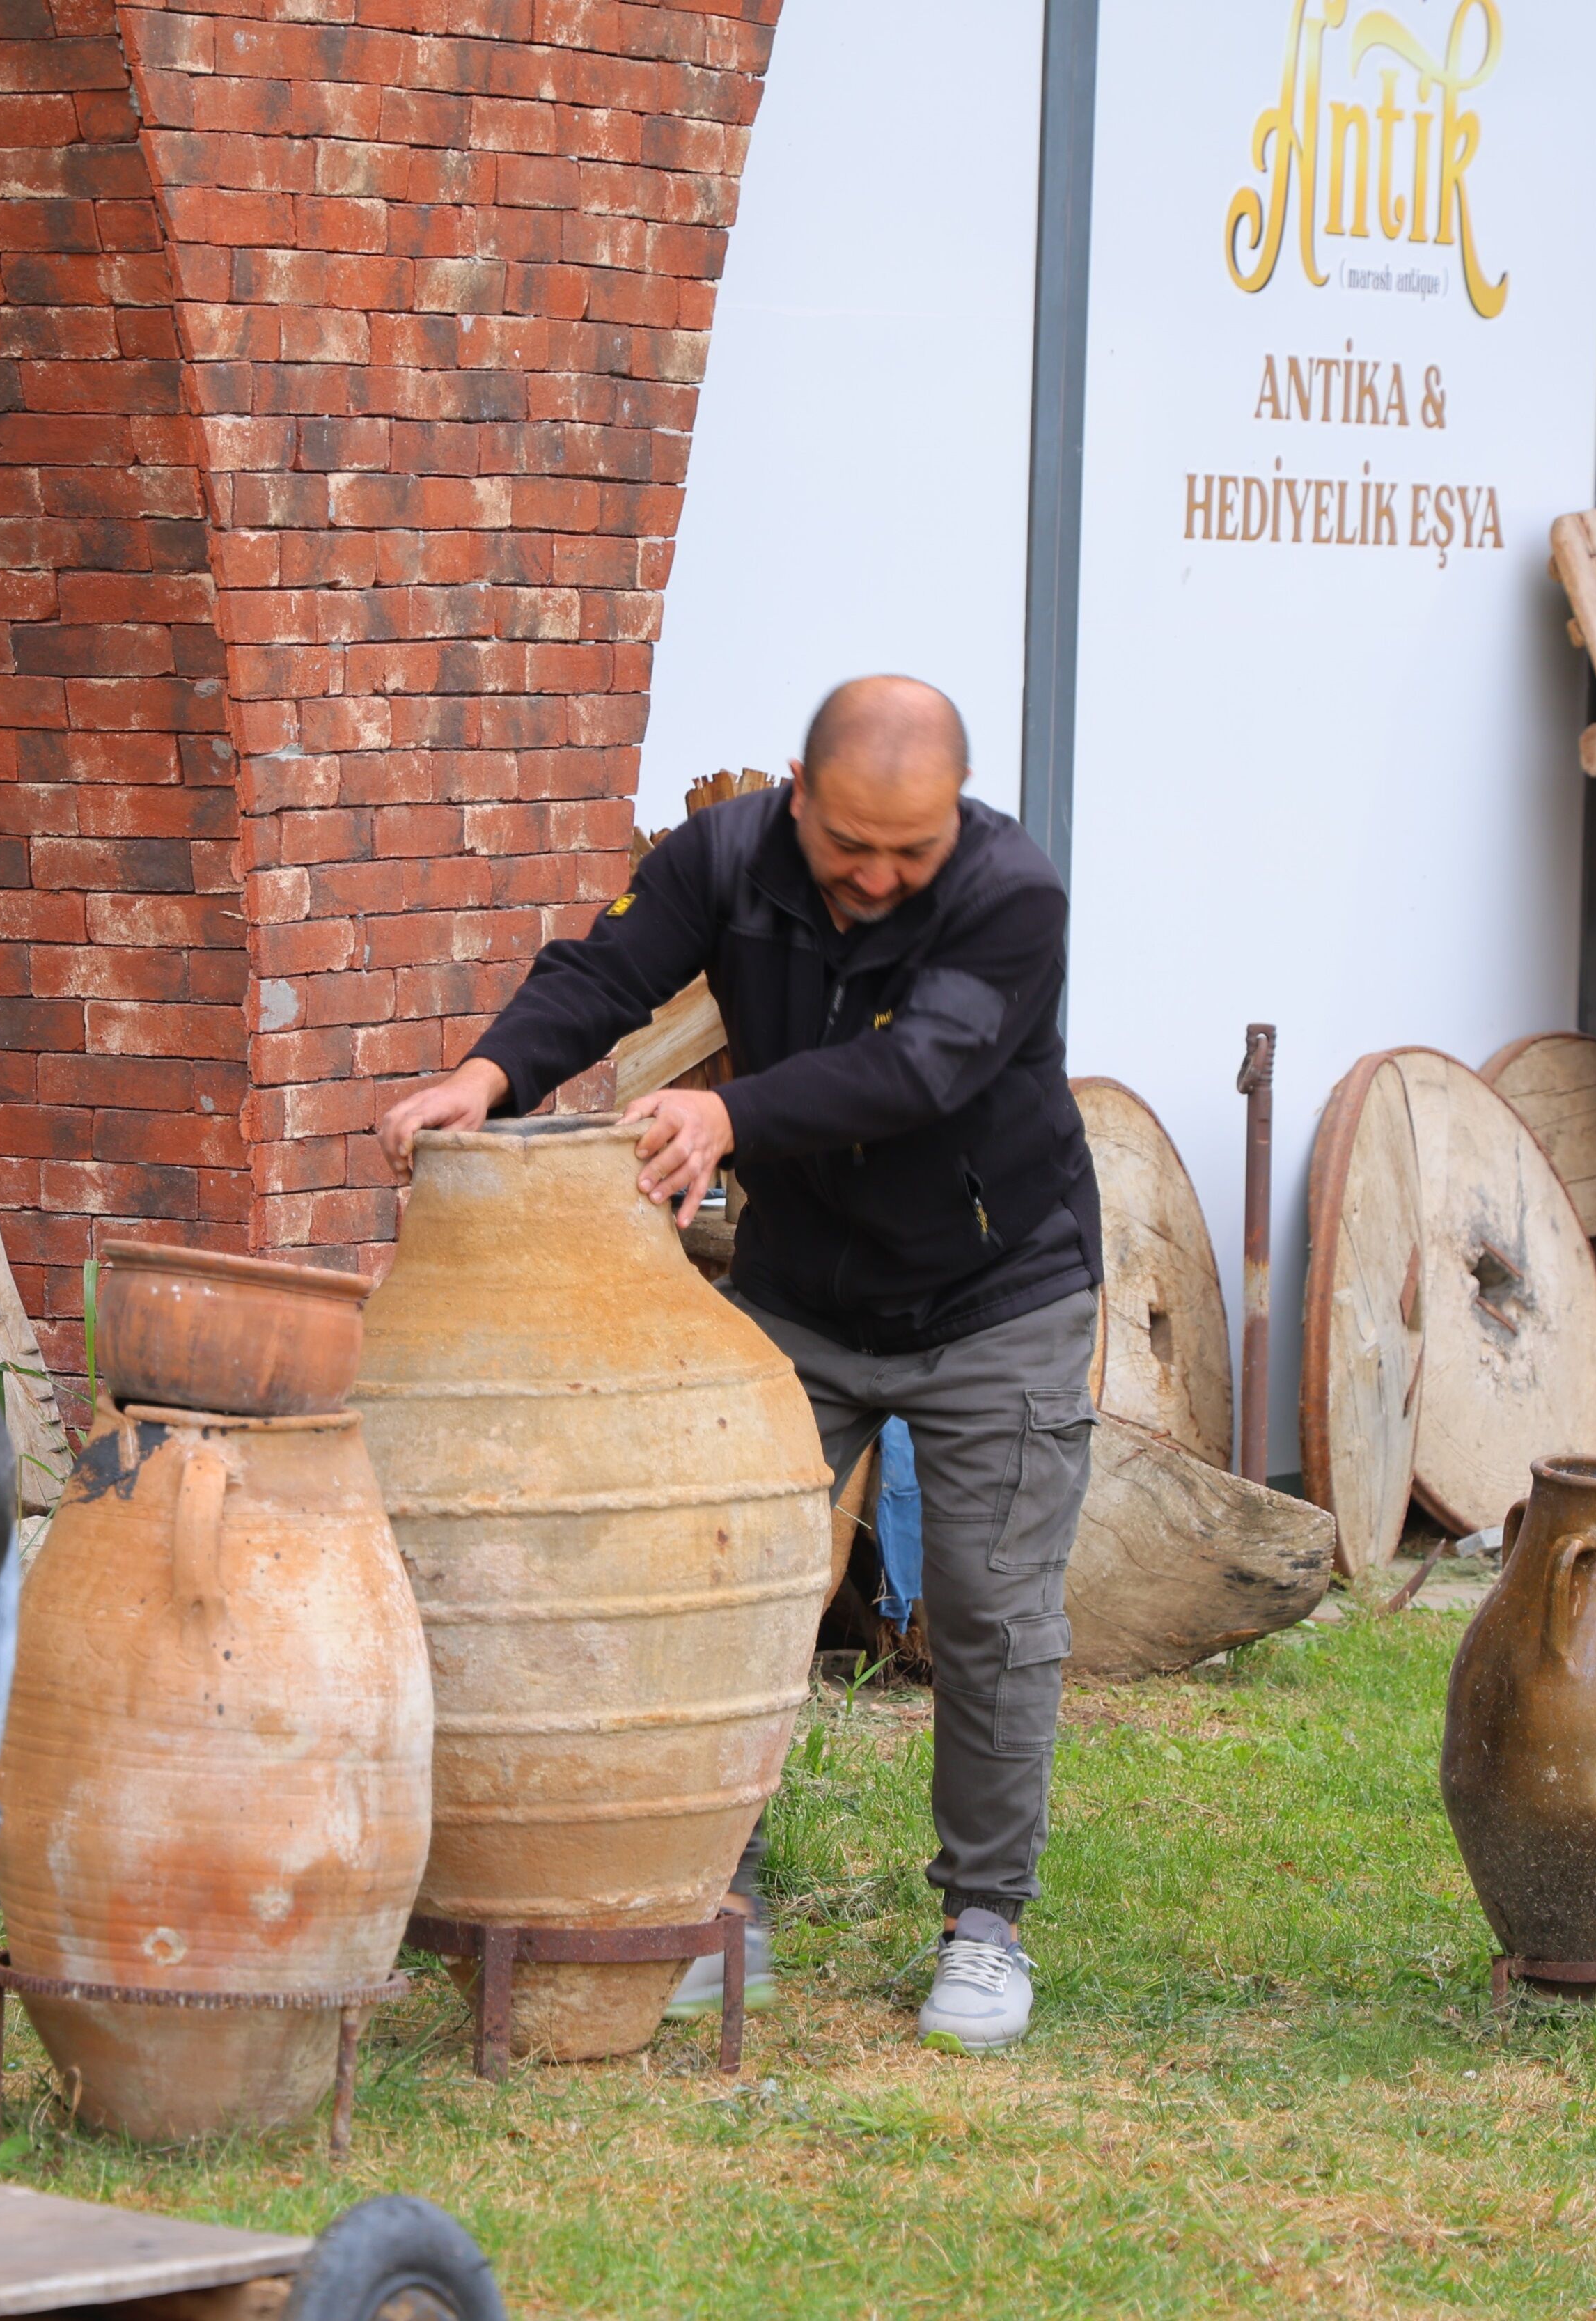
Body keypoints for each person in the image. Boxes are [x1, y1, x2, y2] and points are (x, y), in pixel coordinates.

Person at [375, 675, 1099, 2055]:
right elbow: (597, 977)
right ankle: (713, 1902)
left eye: (913, 850)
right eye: (850, 848)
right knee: (711, 1579)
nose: (881, 877)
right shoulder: (721, 859)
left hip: (996, 1291)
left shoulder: (1012, 892)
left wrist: (725, 1111)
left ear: (956, 817)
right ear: (793, 789)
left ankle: (985, 1926)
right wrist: (484, 1076)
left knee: (993, 1610)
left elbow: (924, 1071)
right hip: (803, 1297)